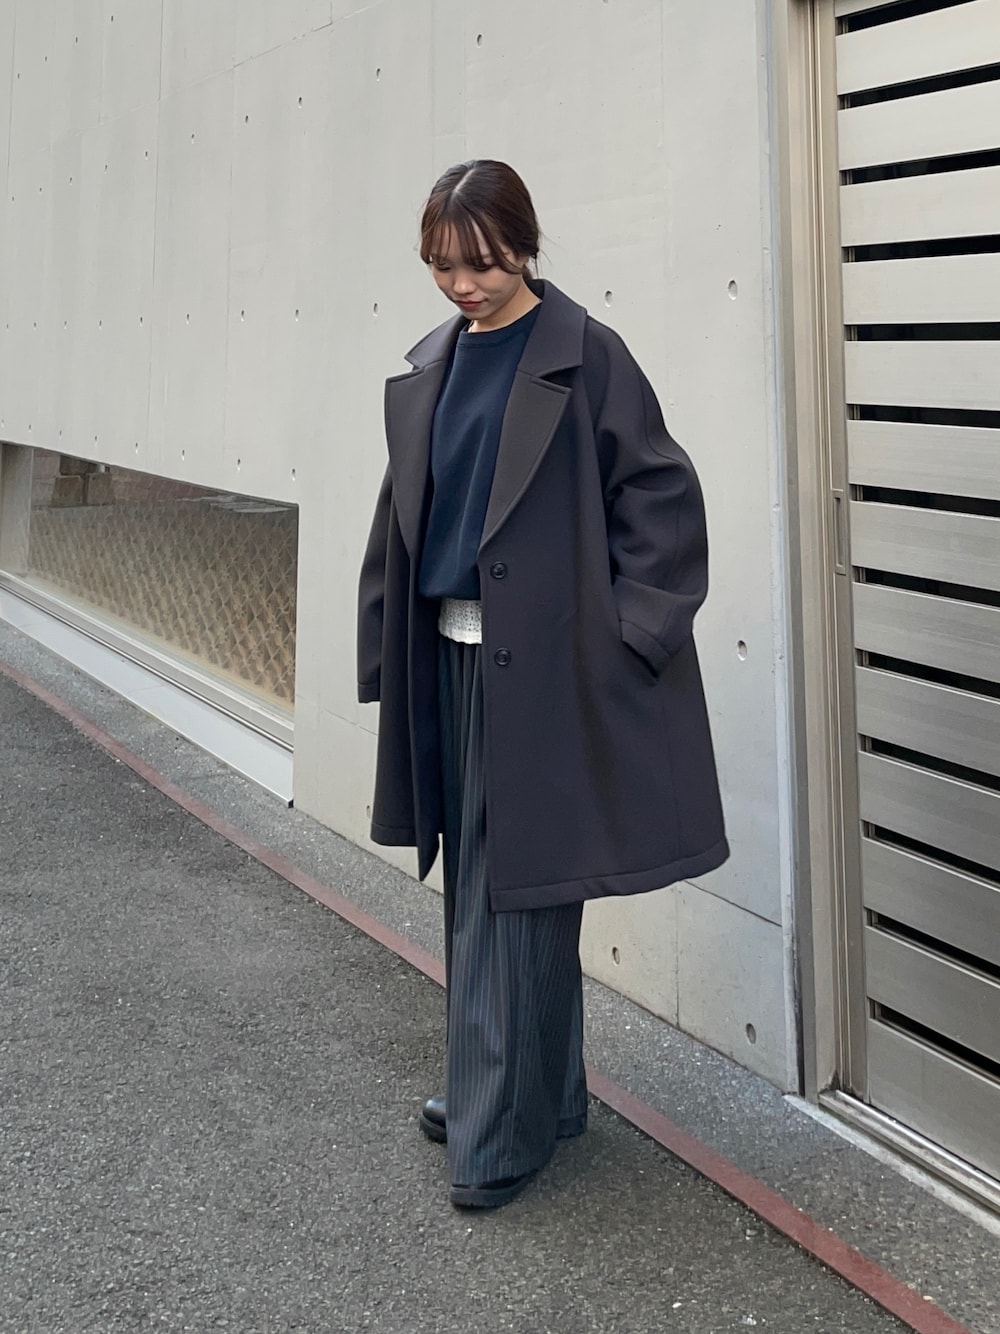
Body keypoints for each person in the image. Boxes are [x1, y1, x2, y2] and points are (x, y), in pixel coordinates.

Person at [357, 160, 728, 1210]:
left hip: (550, 670)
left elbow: (660, 494)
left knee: (512, 891)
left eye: (481, 263)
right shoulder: (438, 359)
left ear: (524, 245)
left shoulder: (585, 355)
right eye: (442, 266)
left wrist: (632, 636)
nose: (462, 285)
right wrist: (384, 636)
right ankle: (533, 1090)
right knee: (497, 886)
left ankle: (500, 1130)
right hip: (452, 657)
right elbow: (404, 510)